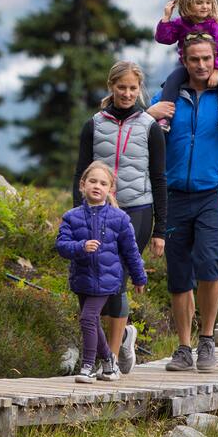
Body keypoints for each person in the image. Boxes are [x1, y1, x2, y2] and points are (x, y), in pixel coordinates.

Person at [147, 33, 218, 373]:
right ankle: (183, 347)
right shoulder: (166, 98)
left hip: (213, 193)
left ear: (216, 60)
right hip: (173, 194)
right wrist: (148, 116)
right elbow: (138, 140)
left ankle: (207, 339)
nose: (200, 65)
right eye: (194, 59)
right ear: (184, 60)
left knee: (209, 263)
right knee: (179, 273)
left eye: (206, 59)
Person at [71, 61, 167, 375]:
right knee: (93, 282)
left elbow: (159, 178)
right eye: (121, 87)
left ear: (140, 91)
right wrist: (77, 218)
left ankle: (108, 360)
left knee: (116, 281)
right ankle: (121, 338)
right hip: (97, 214)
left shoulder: (150, 127)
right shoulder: (94, 125)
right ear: (111, 87)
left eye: (132, 88)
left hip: (136, 211)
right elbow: (79, 175)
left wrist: (160, 228)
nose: (126, 94)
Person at [56, 161, 148, 384]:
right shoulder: (72, 217)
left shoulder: (120, 219)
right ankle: (109, 363)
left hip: (107, 280)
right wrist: (80, 247)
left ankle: (87, 365)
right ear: (82, 185)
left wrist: (139, 277)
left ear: (110, 190)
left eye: (103, 183)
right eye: (93, 181)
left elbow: (131, 252)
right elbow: (61, 245)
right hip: (82, 279)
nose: (97, 186)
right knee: (92, 323)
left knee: (88, 318)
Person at [155, 0, 218, 131]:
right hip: (188, 66)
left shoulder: (214, 25)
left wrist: (217, 71)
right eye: (199, 3)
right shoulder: (180, 24)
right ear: (187, 4)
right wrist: (166, 18)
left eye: (208, 2)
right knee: (172, 80)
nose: (205, 6)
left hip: (214, 66)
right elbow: (164, 38)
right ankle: (164, 118)